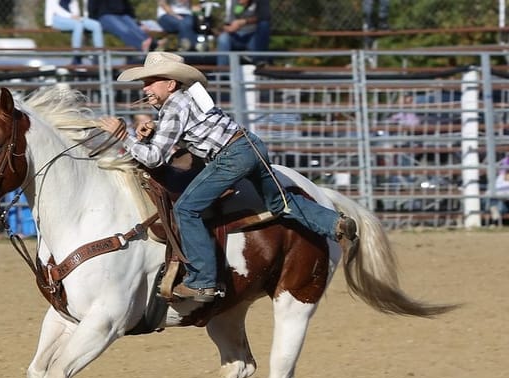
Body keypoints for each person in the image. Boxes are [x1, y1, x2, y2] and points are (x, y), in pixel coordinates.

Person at [98, 52, 358, 302]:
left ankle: (203, 281)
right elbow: (193, 128)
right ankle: (335, 224)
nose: (145, 88)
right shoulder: (188, 97)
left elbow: (154, 158)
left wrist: (124, 137)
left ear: (170, 83)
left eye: (150, 81)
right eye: (144, 82)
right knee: (279, 203)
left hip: (230, 157)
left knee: (187, 209)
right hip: (250, 145)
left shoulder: (174, 106)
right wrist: (154, 129)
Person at [45, 0, 105, 65]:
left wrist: (77, 16)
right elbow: (55, 8)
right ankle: (76, 57)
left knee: (96, 25)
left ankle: (99, 57)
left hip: (72, 18)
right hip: (56, 18)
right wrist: (70, 16)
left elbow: (74, 6)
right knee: (78, 24)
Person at [216, 0, 270, 67]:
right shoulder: (231, 2)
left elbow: (265, 16)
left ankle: (259, 62)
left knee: (264, 25)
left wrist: (243, 22)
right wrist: (228, 28)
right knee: (223, 38)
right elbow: (224, 24)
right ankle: (223, 72)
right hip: (235, 36)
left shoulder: (260, 2)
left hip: (253, 36)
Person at [87, 0, 153, 52]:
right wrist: (94, 21)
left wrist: (138, 23)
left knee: (138, 30)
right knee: (124, 30)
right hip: (105, 15)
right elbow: (91, 6)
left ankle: (153, 46)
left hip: (122, 15)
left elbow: (127, 6)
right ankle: (143, 46)